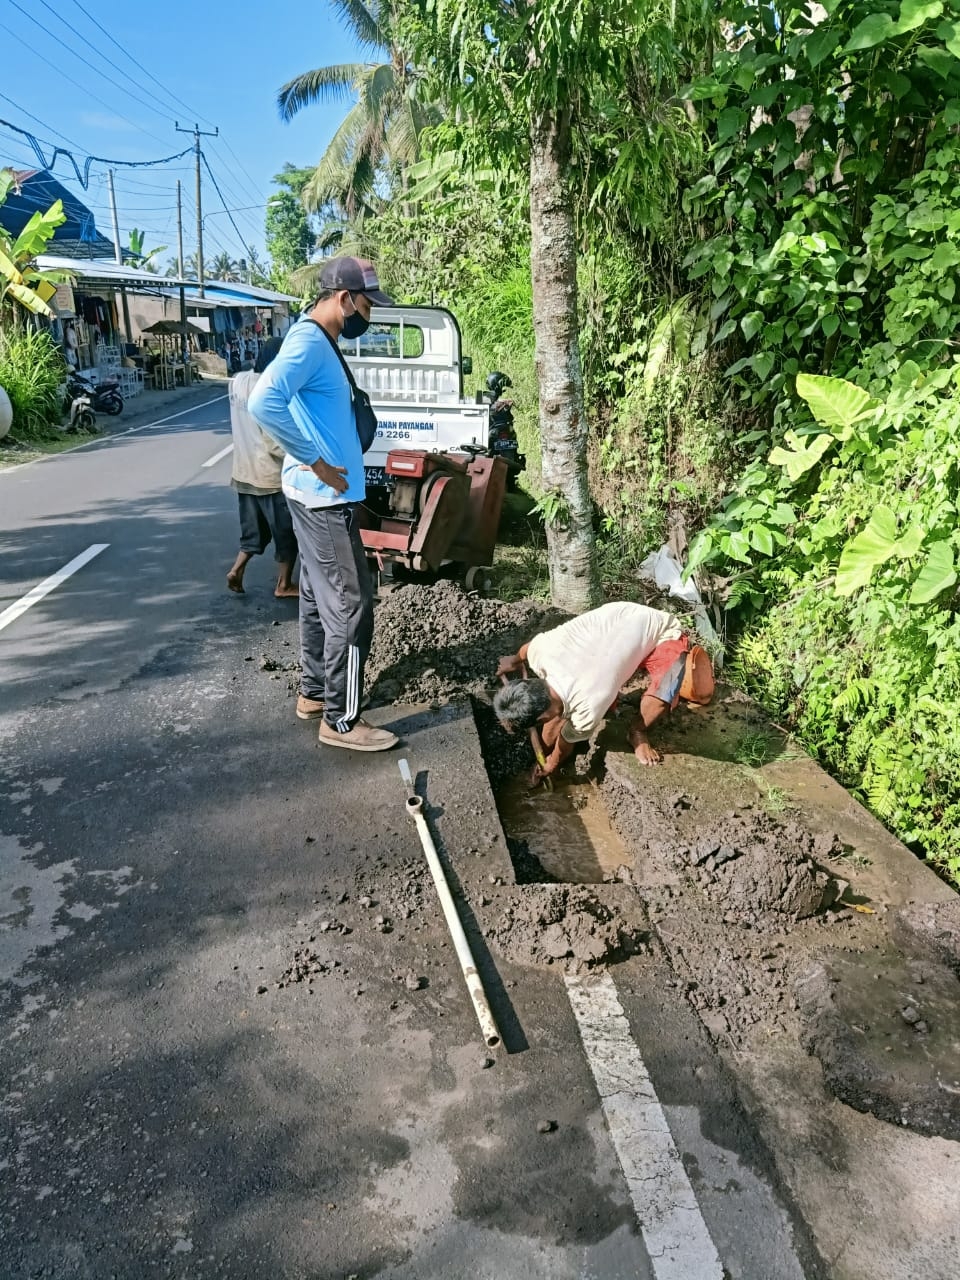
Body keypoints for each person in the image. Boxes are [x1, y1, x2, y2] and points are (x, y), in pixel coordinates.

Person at [248, 256, 398, 754]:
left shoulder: (320, 341)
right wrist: (315, 460)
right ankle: (341, 720)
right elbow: (263, 401)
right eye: (365, 305)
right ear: (342, 298)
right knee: (352, 608)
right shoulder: (310, 342)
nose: (368, 316)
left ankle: (315, 693)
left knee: (317, 597)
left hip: (317, 498)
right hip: (322, 498)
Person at [494, 601, 712, 778]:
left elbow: (565, 745)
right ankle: (622, 674)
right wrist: (514, 660)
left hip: (655, 628)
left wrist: (550, 764)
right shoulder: (542, 653)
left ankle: (638, 731)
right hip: (611, 634)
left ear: (543, 716)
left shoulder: (588, 707)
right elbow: (526, 650)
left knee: (665, 692)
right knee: (563, 721)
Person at [225, 337, 299, 598]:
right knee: (285, 534)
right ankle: (284, 584)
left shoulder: (238, 380)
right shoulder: (270, 390)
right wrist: (304, 459)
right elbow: (274, 443)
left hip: (243, 473)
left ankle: (237, 569)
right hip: (270, 477)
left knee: (253, 531)